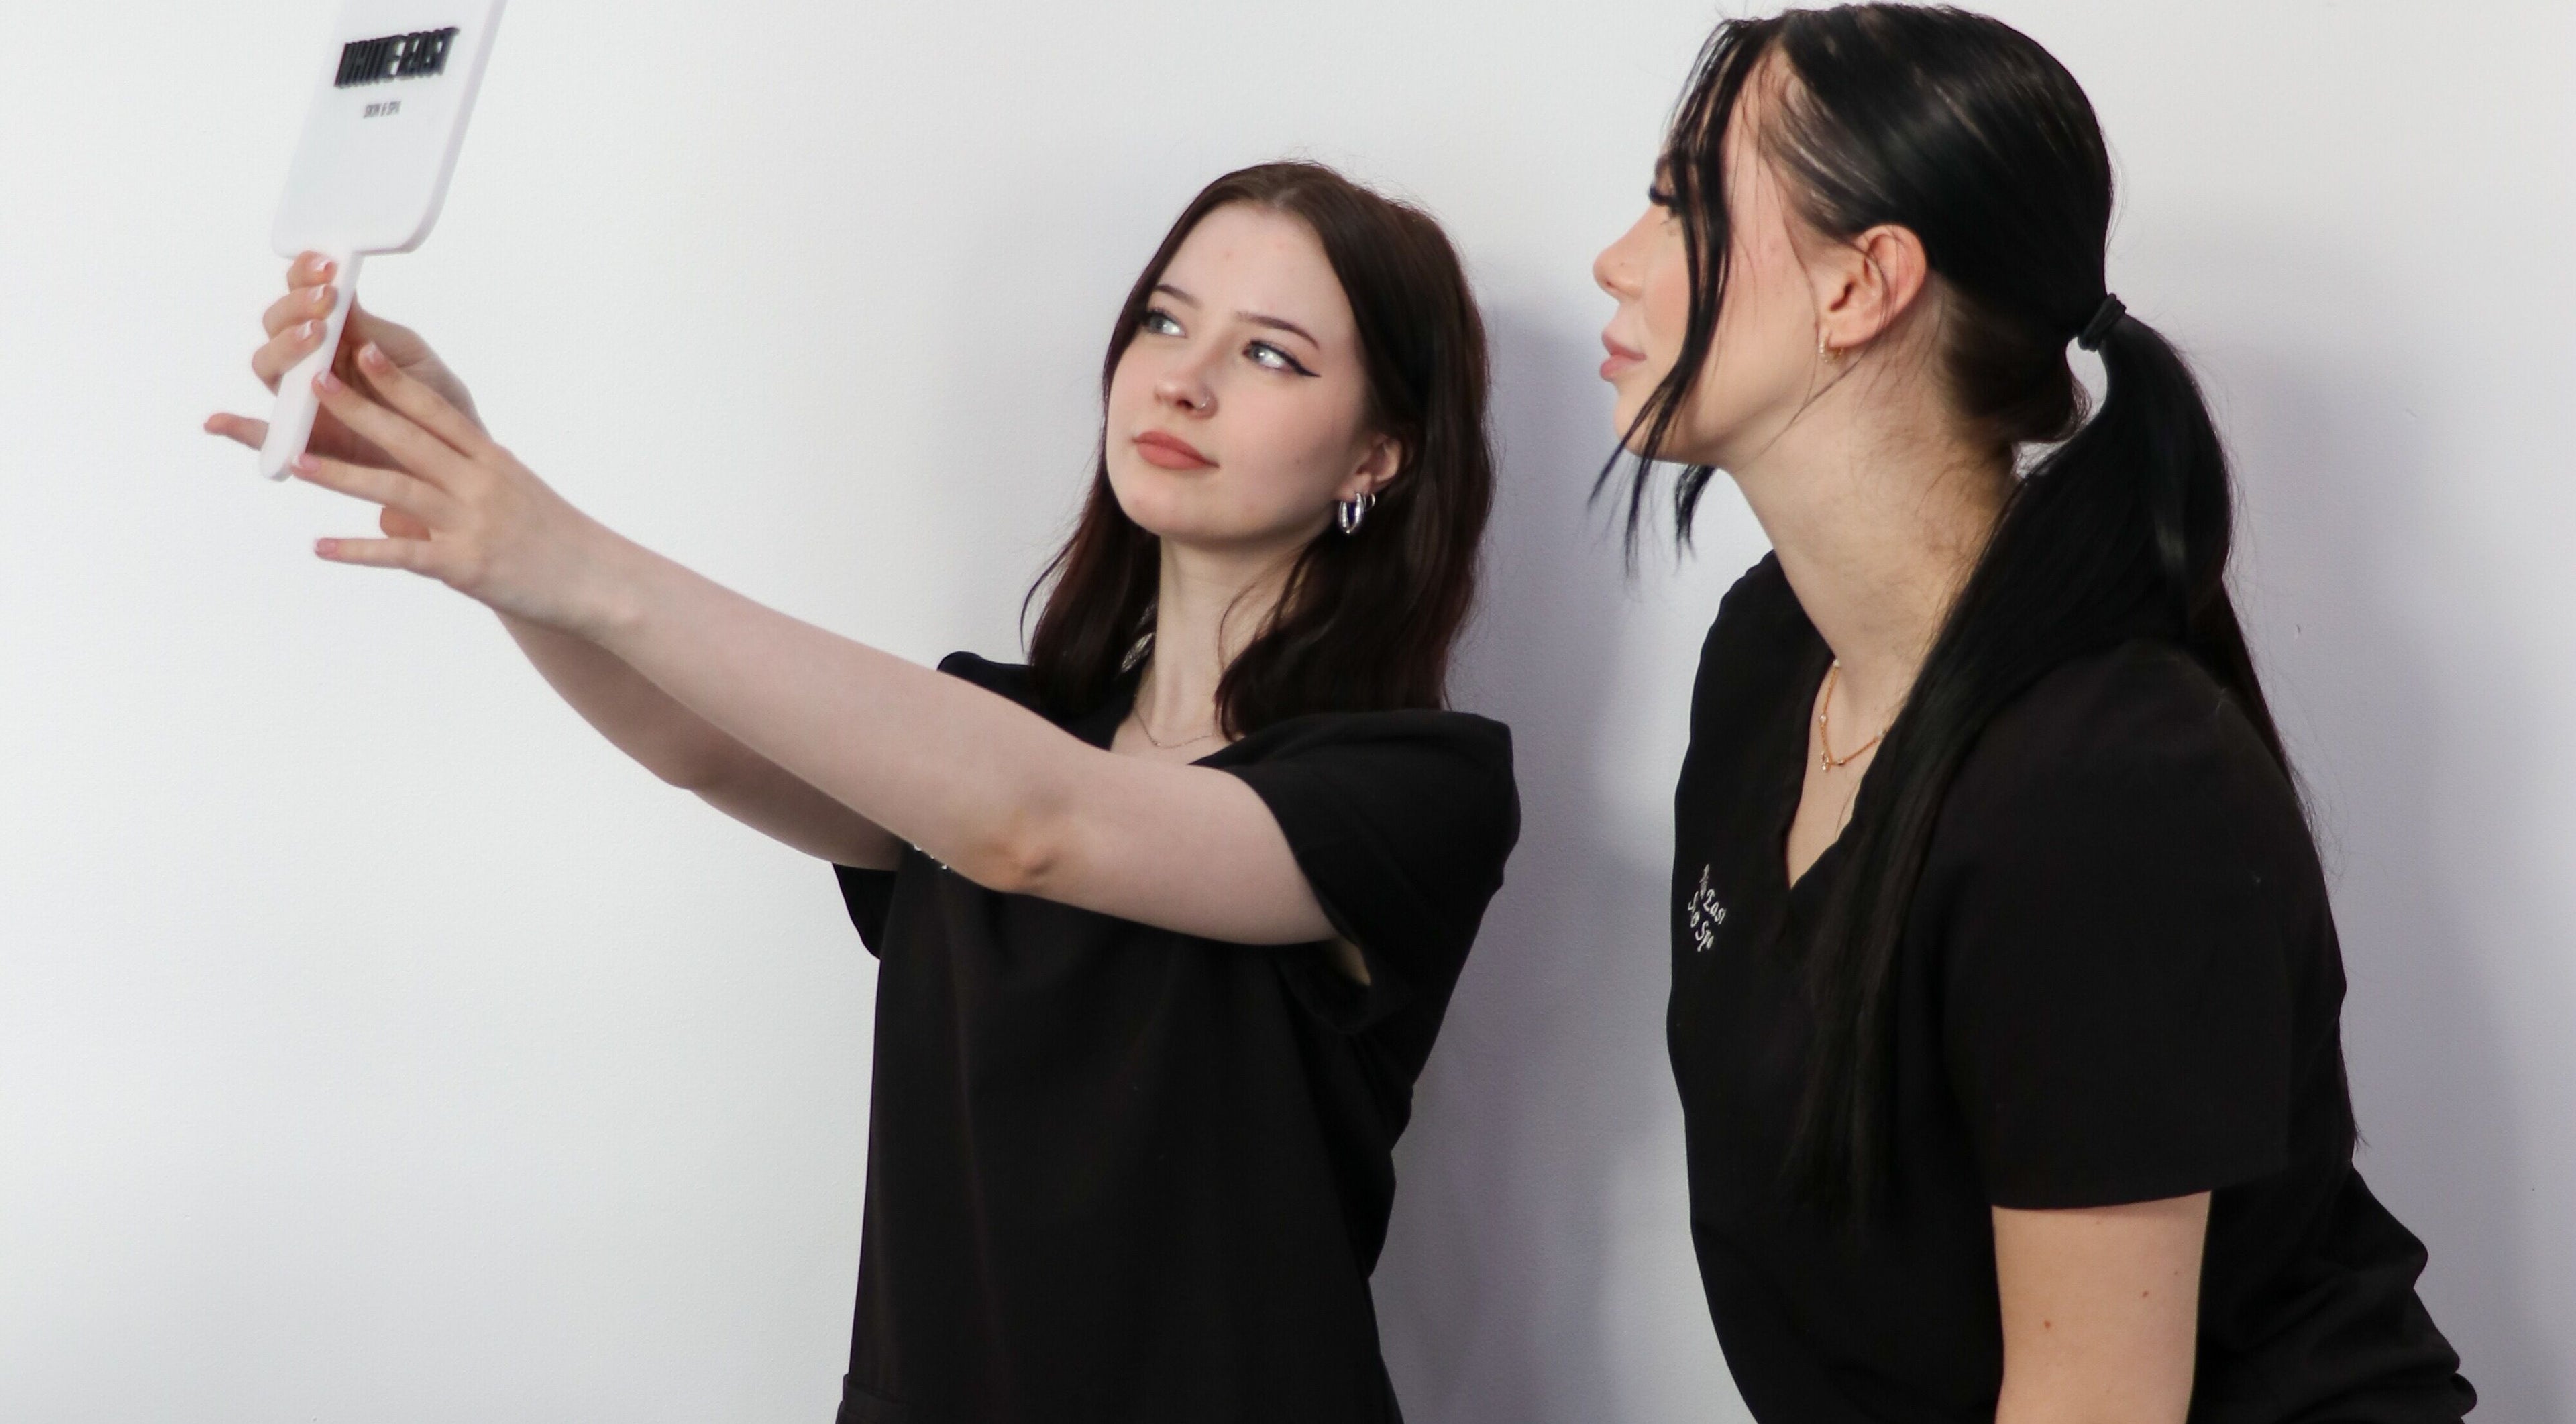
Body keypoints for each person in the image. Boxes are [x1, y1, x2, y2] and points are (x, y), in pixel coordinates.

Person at [205, 160, 1518, 1423]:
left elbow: (1038, 832)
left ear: (1377, 460)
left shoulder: (1412, 793)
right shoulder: (999, 725)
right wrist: (472, 499)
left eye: (1270, 353)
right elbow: (696, 739)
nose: (1183, 379)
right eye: (1166, 322)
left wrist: (572, 551)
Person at [1589, 7, 2473, 1421]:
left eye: (1683, 204)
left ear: (1865, 284)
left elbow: (2093, 1405)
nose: (1616, 263)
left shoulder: (2107, 784)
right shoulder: (1767, 657)